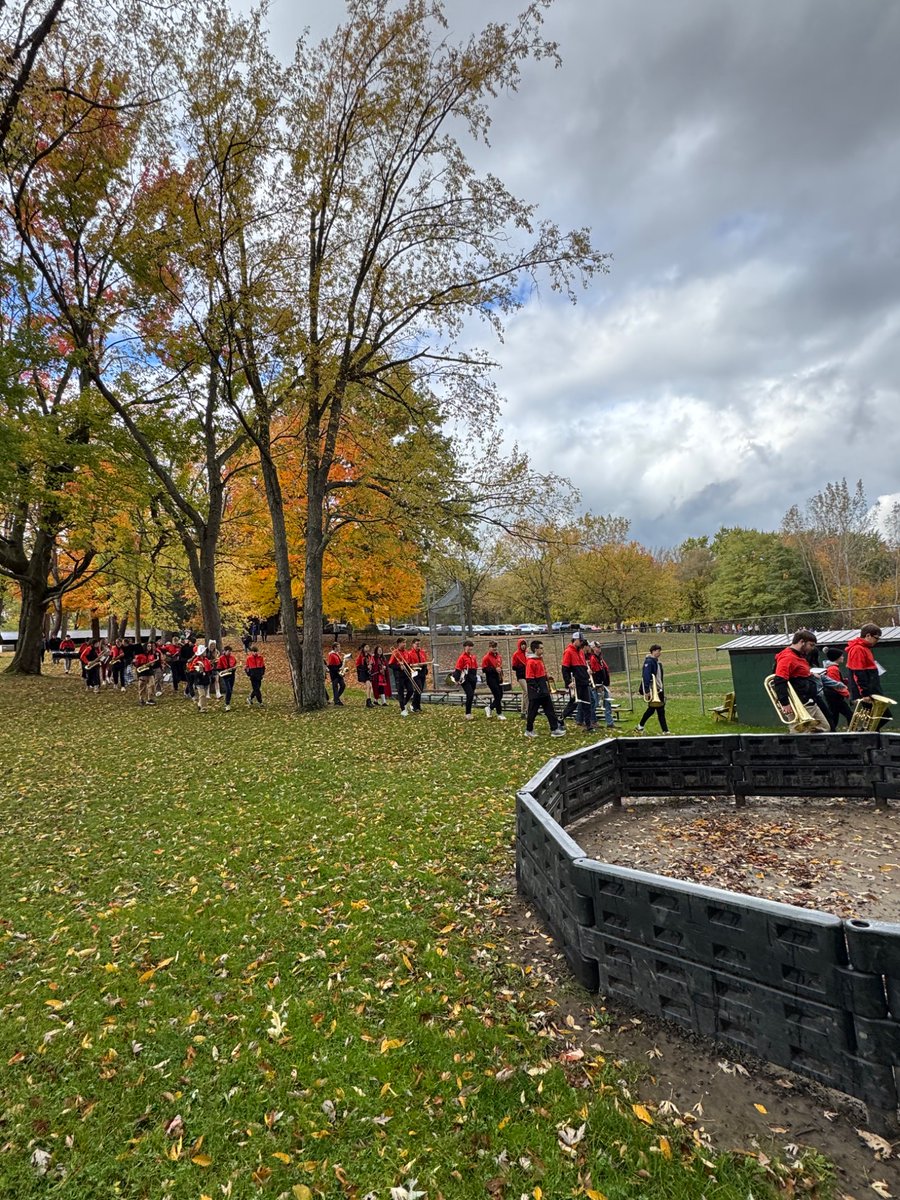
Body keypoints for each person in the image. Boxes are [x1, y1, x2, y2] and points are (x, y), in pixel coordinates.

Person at [770, 629, 829, 734]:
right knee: (799, 734)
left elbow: (798, 674)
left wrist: (810, 674)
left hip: (809, 700)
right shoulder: (788, 657)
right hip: (800, 702)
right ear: (802, 642)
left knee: (824, 728)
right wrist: (785, 703)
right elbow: (779, 680)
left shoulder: (798, 656)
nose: (812, 648)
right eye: (811, 645)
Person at [846, 623, 889, 730]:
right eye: (876, 638)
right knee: (882, 717)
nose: (877, 641)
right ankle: (863, 735)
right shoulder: (858, 649)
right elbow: (858, 672)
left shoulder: (865, 648)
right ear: (868, 635)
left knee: (877, 719)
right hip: (867, 692)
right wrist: (865, 693)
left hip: (871, 690)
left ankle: (867, 735)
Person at [524, 640, 566, 738]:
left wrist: (547, 678)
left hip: (544, 690)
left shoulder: (540, 660)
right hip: (536, 692)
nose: (543, 650)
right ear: (536, 649)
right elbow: (529, 678)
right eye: (541, 648)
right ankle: (529, 730)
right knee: (532, 712)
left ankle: (554, 729)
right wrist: (537, 688)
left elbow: (541, 673)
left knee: (550, 710)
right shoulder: (531, 662)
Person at [561, 635, 596, 732]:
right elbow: (564, 669)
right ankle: (560, 719)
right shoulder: (568, 651)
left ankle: (588, 725)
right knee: (573, 704)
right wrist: (568, 682)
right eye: (580, 640)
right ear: (574, 640)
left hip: (584, 682)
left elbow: (583, 666)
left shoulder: (581, 652)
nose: (581, 642)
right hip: (575, 683)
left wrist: (587, 672)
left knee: (587, 704)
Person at [635, 644, 670, 734]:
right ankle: (664, 730)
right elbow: (646, 676)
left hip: (658, 688)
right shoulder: (649, 662)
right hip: (653, 689)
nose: (659, 653)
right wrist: (647, 691)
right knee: (655, 709)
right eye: (658, 651)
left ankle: (641, 726)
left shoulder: (656, 662)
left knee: (657, 710)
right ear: (653, 651)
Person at [820, 645, 853, 731]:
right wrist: (848, 694)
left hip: (833, 696)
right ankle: (852, 731)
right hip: (835, 697)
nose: (843, 657)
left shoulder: (832, 668)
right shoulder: (833, 669)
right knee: (849, 715)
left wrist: (844, 680)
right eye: (841, 656)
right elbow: (835, 685)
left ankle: (831, 732)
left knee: (834, 717)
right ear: (836, 657)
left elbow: (835, 680)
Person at [588, 642, 615, 730]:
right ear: (593, 648)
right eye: (597, 647)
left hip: (603, 684)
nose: (599, 648)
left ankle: (610, 723)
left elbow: (604, 670)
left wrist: (605, 683)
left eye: (600, 647)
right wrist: (598, 685)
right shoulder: (593, 658)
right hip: (597, 686)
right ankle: (591, 721)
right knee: (595, 703)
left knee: (607, 703)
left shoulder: (600, 658)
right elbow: (596, 673)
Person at [454, 638, 479, 719]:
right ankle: (468, 713)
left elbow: (475, 667)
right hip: (465, 678)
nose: (470, 648)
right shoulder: (462, 657)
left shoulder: (473, 657)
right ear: (465, 647)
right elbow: (458, 668)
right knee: (470, 694)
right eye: (468, 646)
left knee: (471, 696)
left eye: (471, 646)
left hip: (472, 677)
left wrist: (475, 677)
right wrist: (457, 679)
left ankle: (469, 711)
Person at [481, 640, 506, 720]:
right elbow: (484, 669)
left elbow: (500, 666)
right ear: (489, 648)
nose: (494, 648)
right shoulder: (486, 657)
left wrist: (501, 674)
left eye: (495, 647)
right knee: (497, 695)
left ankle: (489, 708)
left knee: (500, 695)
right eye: (492, 647)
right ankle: (499, 713)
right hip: (491, 679)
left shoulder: (498, 656)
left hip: (498, 678)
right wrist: (494, 669)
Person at [389, 637, 413, 716]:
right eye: (403, 642)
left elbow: (408, 663)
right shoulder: (395, 652)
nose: (404, 644)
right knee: (401, 692)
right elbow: (390, 665)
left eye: (405, 642)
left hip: (407, 674)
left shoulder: (406, 652)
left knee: (411, 690)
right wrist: (399, 667)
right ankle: (403, 710)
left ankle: (404, 703)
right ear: (399, 643)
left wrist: (410, 670)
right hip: (399, 675)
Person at [187, 643, 213, 712]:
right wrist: (199, 673)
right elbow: (192, 671)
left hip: (206, 680)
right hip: (199, 680)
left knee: (204, 694)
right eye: (204, 651)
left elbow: (209, 670)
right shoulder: (196, 661)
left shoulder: (206, 660)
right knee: (202, 694)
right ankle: (203, 708)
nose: (205, 652)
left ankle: (199, 704)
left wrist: (210, 675)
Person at [406, 638, 429, 714]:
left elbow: (424, 661)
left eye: (419, 644)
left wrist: (426, 669)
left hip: (422, 672)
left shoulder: (422, 652)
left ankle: (417, 706)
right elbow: (408, 664)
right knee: (418, 688)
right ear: (413, 644)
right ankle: (413, 705)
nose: (418, 645)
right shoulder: (410, 653)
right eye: (417, 644)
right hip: (415, 672)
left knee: (420, 690)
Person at [133, 642, 157, 706]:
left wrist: (152, 664)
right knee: (142, 686)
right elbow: (136, 664)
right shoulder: (139, 655)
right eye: (148, 646)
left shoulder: (151, 655)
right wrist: (136, 663)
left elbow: (152, 664)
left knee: (152, 685)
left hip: (150, 672)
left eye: (150, 646)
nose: (149, 647)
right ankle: (141, 699)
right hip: (142, 672)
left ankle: (150, 699)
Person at [217, 644, 238, 710]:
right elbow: (219, 668)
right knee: (228, 689)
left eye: (230, 651)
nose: (230, 653)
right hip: (225, 675)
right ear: (225, 651)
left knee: (230, 689)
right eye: (228, 651)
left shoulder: (232, 658)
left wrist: (233, 669)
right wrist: (224, 671)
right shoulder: (221, 658)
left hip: (232, 675)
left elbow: (234, 665)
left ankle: (227, 701)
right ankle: (227, 703)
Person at [511, 638, 528, 718]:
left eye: (524, 644)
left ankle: (523, 711)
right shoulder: (516, 654)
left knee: (525, 693)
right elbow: (514, 667)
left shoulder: (527, 653)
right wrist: (521, 667)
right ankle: (527, 710)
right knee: (526, 691)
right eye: (522, 645)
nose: (523, 646)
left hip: (528, 675)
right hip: (521, 676)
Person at [326, 642, 346, 706]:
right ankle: (336, 701)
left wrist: (344, 659)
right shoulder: (331, 655)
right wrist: (338, 669)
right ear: (335, 647)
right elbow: (330, 666)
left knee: (343, 685)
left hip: (339, 673)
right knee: (335, 687)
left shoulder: (337, 654)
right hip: (334, 674)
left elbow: (339, 663)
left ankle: (336, 698)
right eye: (338, 647)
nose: (340, 648)